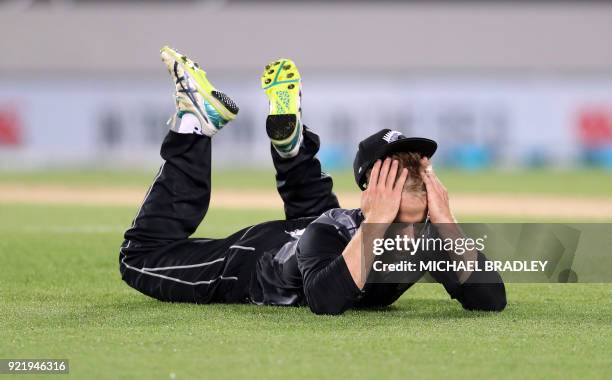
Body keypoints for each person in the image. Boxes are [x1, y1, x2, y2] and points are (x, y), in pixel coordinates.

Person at [119, 46, 506, 315]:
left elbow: (490, 299)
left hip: (327, 231)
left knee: (320, 212)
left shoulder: (428, 238)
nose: (410, 233)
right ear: (373, 197)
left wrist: (446, 223)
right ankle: (194, 127)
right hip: (259, 260)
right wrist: (374, 226)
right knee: (140, 257)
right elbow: (326, 300)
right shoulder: (334, 231)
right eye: (398, 217)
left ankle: (292, 149)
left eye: (418, 218)